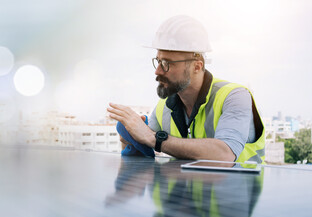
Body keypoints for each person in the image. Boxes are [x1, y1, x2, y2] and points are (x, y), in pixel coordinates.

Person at [107, 15, 265, 163]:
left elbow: (225, 154)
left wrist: (153, 138)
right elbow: (144, 147)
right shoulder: (164, 108)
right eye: (158, 61)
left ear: (197, 66)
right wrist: (131, 138)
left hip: (238, 189)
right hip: (184, 192)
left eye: (167, 63)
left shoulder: (235, 96)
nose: (158, 71)